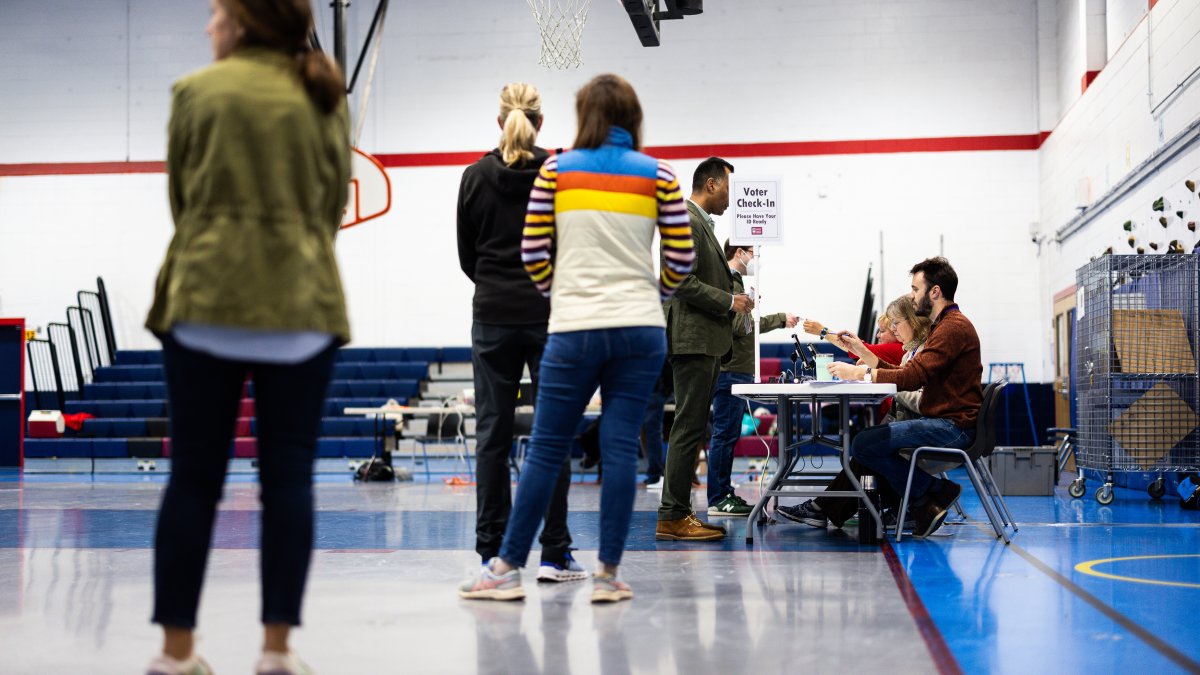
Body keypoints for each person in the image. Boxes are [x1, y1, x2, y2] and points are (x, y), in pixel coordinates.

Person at [143, 1, 349, 673]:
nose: (207, 26)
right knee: (288, 480)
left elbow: (183, 200)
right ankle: (276, 652)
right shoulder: (323, 91)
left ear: (242, 22)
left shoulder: (196, 92)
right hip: (299, 303)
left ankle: (175, 654)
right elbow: (329, 203)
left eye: (214, 13)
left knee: (193, 480)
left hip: (204, 296)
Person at [458, 73, 694, 602]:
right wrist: (651, 296)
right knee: (618, 450)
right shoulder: (659, 174)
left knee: (545, 449)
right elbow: (681, 259)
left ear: (582, 116)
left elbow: (533, 253)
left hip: (573, 327)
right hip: (639, 331)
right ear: (633, 118)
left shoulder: (557, 170)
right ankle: (608, 575)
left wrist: (560, 294)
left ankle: (503, 571)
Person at [456, 83, 582, 583]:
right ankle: (555, 554)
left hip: (491, 315)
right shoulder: (560, 176)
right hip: (549, 315)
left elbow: (468, 257)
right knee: (552, 436)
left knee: (492, 435)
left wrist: (495, 283)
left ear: (499, 120)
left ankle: (493, 555)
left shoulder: (473, 177)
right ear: (541, 123)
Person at [826, 257, 982, 538]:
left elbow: (911, 378)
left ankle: (933, 492)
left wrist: (860, 375)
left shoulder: (952, 328)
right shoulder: (944, 326)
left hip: (951, 428)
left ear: (934, 292)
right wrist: (866, 365)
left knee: (864, 444)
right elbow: (906, 372)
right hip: (944, 422)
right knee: (868, 443)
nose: (912, 297)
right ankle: (924, 501)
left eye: (915, 289)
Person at [656, 157, 753, 542]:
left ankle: (678, 512)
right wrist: (730, 302)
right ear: (711, 184)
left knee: (692, 426)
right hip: (692, 339)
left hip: (705, 340)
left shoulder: (700, 224)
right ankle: (673, 514)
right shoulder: (685, 218)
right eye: (729, 189)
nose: (732, 200)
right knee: (688, 427)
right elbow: (679, 280)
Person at [776, 295, 931, 529]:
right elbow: (869, 357)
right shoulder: (910, 351)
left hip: (919, 425)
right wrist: (869, 369)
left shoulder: (900, 349)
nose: (884, 333)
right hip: (909, 420)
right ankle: (826, 508)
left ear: (911, 323)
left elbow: (877, 365)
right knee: (866, 446)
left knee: (866, 447)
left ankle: (825, 508)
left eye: (890, 327)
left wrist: (824, 333)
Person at [707, 240, 797, 517]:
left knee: (728, 434)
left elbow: (745, 325)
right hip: (730, 369)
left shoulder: (734, 284)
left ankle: (722, 493)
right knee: (724, 434)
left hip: (736, 369)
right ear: (740, 253)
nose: (755, 259)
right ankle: (718, 497)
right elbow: (738, 327)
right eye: (753, 253)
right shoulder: (729, 283)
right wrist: (772, 316)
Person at [802, 315, 904, 367]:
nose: (877, 335)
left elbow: (860, 348)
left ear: (896, 331)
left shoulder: (897, 348)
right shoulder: (899, 349)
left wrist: (822, 331)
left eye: (882, 331)